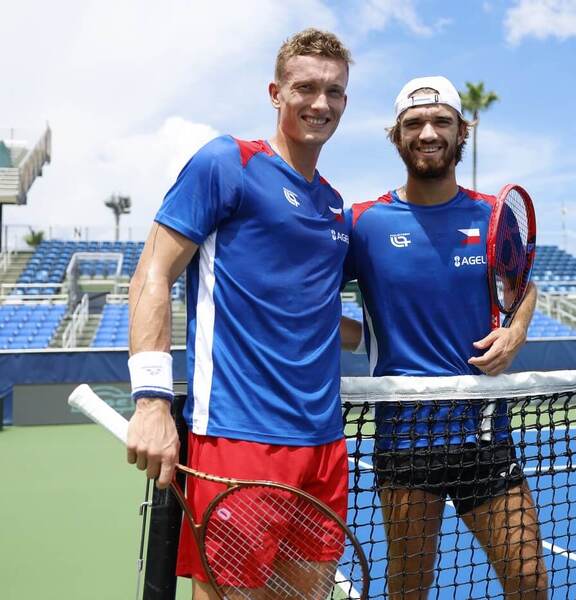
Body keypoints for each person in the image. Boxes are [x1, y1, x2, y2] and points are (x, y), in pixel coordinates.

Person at [125, 29, 356, 598]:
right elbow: (152, 274)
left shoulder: (334, 206)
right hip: (240, 440)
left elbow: (320, 316)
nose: (320, 103)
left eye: (334, 91)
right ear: (276, 92)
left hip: (324, 446)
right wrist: (152, 403)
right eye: (305, 87)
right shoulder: (227, 162)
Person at [342, 76, 546, 599]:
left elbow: (523, 287)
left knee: (529, 582)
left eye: (441, 122)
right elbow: (307, 299)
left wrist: (516, 331)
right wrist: (348, 336)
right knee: (409, 588)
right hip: (405, 440)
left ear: (462, 133)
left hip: (484, 435)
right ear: (397, 136)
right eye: (414, 124)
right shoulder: (363, 223)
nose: (427, 132)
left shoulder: (491, 216)